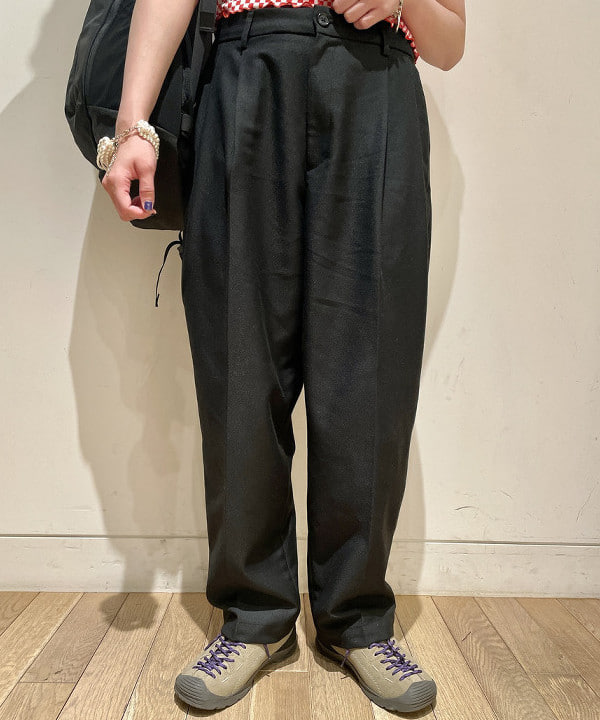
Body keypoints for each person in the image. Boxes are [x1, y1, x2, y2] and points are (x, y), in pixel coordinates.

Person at [100, 0, 466, 713]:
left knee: (371, 368)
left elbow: (450, 42)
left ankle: (357, 619)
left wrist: (401, 1)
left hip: (375, 86)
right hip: (244, 73)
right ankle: (254, 615)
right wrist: (133, 123)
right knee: (238, 360)